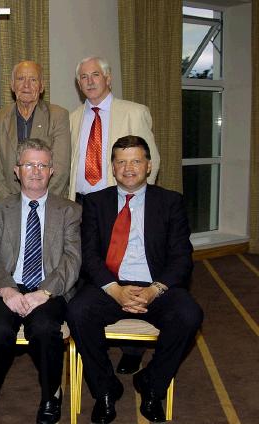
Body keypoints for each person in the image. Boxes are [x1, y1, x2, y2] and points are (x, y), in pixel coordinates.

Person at [66, 136, 203, 423]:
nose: (129, 168)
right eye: (121, 162)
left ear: (149, 165)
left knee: (190, 315)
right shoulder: (94, 202)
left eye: (136, 161)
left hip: (156, 286)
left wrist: (155, 290)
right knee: (78, 311)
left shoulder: (170, 202)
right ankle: (105, 389)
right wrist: (114, 289)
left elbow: (181, 257)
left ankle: (151, 385)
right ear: (113, 167)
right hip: (110, 285)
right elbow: (88, 255)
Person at [0, 139, 81, 423]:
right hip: (8, 286)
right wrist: (6, 290)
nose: (36, 171)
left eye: (42, 165)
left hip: (50, 288)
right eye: (29, 164)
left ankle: (51, 394)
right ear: (17, 170)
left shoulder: (70, 211)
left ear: (52, 171)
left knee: (44, 328)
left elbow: (72, 260)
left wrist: (45, 292)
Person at [69, 56, 161, 373]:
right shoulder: (73, 118)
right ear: (78, 84)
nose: (90, 80)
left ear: (108, 78)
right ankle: (93, 337)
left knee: (129, 267)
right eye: (83, 77)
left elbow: (151, 162)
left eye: (96, 74)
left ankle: (132, 347)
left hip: (121, 204)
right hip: (82, 204)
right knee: (90, 272)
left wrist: (137, 204)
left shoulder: (134, 112)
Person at [0, 60, 71, 200]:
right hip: (10, 204)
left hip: (50, 203)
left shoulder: (58, 116)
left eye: (33, 79)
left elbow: (60, 169)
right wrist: (10, 206)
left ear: (41, 86)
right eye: (21, 79)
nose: (26, 85)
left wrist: (40, 205)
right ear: (12, 85)